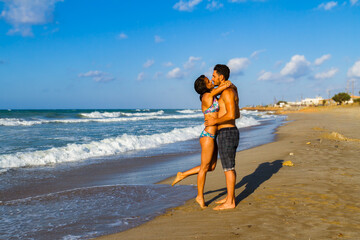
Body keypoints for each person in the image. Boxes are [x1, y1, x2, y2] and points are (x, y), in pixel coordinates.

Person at [171, 74, 233, 208]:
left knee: (210, 167)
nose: (211, 81)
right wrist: (223, 81)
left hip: (213, 136)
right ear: (204, 86)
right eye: (208, 81)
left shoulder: (211, 95)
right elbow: (225, 86)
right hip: (208, 137)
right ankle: (199, 196)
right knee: (204, 168)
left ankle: (183, 174)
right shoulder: (207, 96)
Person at [205, 64, 240, 210]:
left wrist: (215, 121)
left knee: (228, 168)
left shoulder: (227, 93)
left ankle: (230, 202)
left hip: (227, 132)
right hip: (227, 132)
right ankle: (230, 197)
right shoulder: (229, 91)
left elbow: (232, 115)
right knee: (228, 167)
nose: (212, 79)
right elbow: (237, 114)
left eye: (214, 76)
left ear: (221, 77)